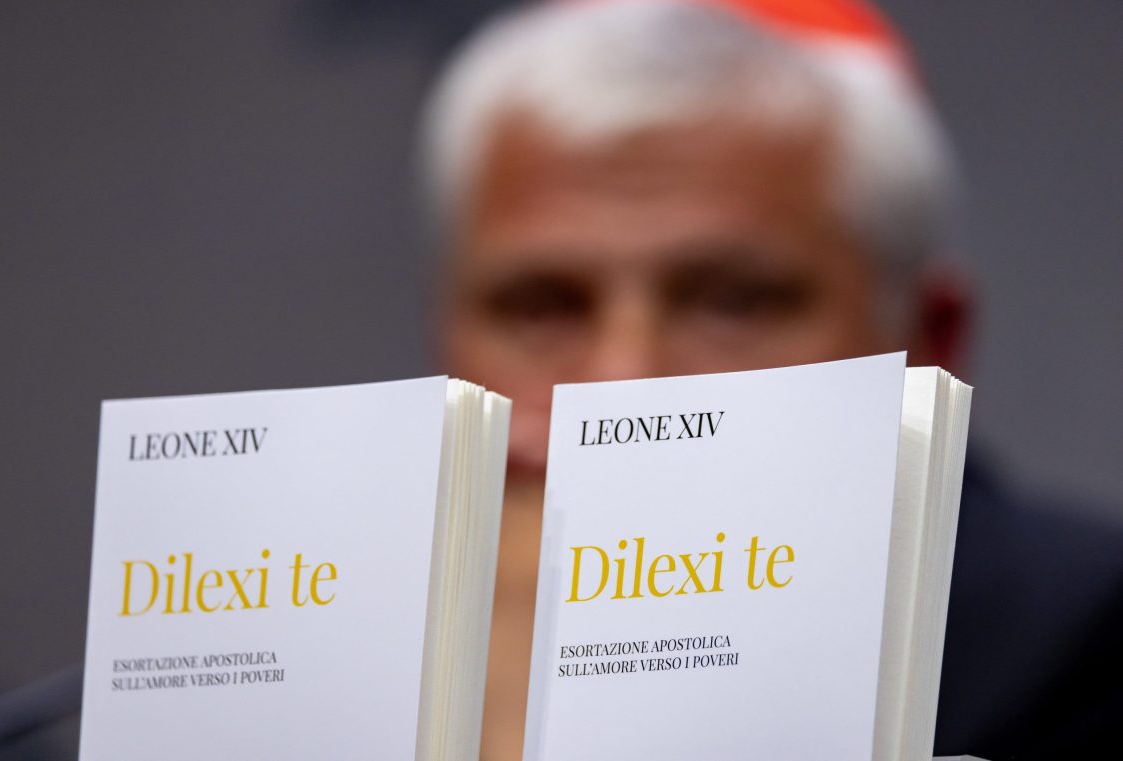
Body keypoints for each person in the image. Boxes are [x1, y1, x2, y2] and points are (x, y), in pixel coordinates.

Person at [419, 1, 1123, 759]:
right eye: (540, 309)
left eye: (733, 303)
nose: (619, 383)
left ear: (928, 346)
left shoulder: (1088, 641)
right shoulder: (368, 629)